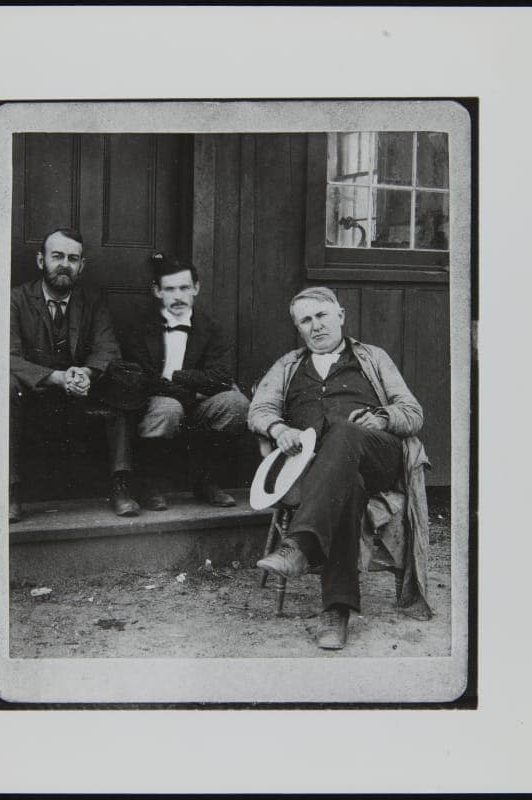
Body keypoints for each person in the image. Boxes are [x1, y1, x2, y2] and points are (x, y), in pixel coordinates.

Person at [248, 286, 430, 650]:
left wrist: (381, 418)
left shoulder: (373, 358)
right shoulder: (288, 365)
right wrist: (279, 429)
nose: (315, 326)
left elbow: (413, 413)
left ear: (340, 316)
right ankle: (336, 611)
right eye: (306, 320)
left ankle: (301, 544)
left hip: (377, 452)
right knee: (348, 487)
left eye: (321, 316)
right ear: (298, 328)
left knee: (346, 431)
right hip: (316, 468)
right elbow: (258, 410)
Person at [9, 228, 139, 522]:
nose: (64, 264)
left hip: (81, 394)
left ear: (82, 266)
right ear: (41, 260)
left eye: (72, 258)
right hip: (34, 393)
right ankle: (10, 490)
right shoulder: (16, 299)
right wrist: (56, 377)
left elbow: (107, 348)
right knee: (5, 385)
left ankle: (121, 484)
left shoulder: (92, 301)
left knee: (122, 378)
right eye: (57, 256)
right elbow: (8, 357)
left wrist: (87, 372)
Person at [119, 252, 249, 511]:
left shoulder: (210, 327)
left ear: (196, 288)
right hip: (157, 403)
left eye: (184, 288)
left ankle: (206, 481)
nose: (178, 296)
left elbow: (221, 377)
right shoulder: (139, 327)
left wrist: (176, 376)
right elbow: (142, 379)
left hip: (198, 404)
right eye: (170, 289)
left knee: (236, 404)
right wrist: (190, 392)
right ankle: (150, 485)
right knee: (168, 408)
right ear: (157, 291)